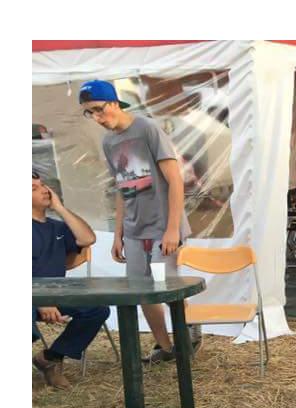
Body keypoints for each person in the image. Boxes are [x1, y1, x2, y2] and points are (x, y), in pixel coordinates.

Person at [78, 79, 199, 363]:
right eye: (89, 113)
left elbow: (175, 181)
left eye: (98, 109)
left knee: (168, 288)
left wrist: (172, 229)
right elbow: (124, 188)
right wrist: (118, 233)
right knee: (140, 292)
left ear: (114, 103)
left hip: (163, 226)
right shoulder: (108, 142)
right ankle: (165, 348)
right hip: (134, 230)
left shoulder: (147, 129)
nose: (96, 118)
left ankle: (189, 335)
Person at [32, 172, 107, 389]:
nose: (44, 190)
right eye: (34, 188)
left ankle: (51, 358)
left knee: (97, 309)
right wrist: (41, 301)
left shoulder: (57, 227)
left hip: (56, 293)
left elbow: (88, 238)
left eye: (43, 185)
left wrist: (60, 208)